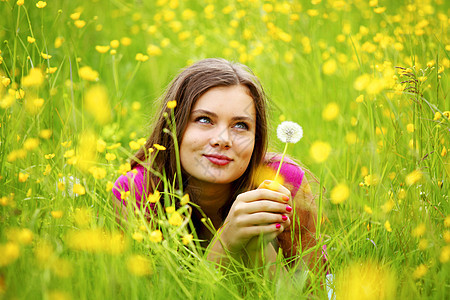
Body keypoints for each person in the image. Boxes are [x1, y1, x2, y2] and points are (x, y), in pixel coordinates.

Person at [112, 58, 322, 275]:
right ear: (174, 126)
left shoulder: (282, 180)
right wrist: (227, 239)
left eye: (240, 125)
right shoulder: (137, 190)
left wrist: (256, 246)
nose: (223, 139)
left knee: (259, 243)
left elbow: (317, 289)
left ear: (256, 139)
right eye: (204, 120)